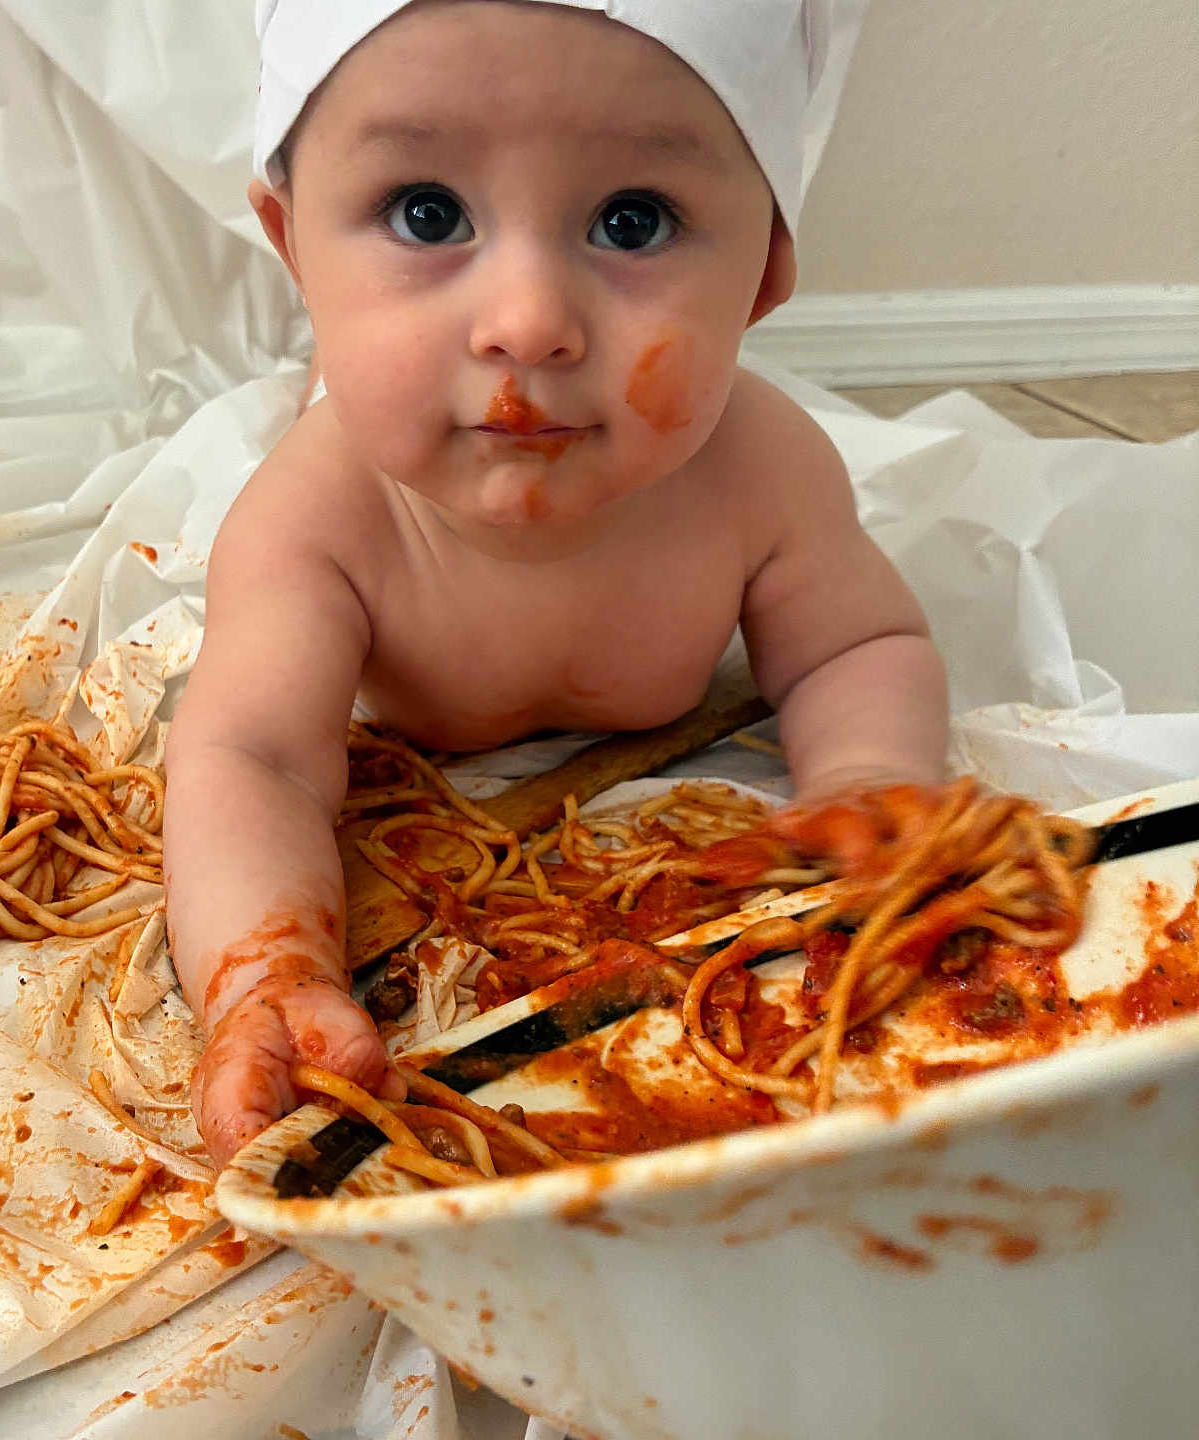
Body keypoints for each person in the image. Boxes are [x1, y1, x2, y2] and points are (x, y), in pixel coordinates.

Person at [164, 0, 948, 1166]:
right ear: (293, 249)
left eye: (633, 222)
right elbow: (250, 757)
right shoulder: (312, 521)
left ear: (765, 275)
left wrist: (868, 778)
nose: (528, 325)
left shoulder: (765, 474)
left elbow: (859, 647)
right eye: (427, 212)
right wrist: (266, 971)